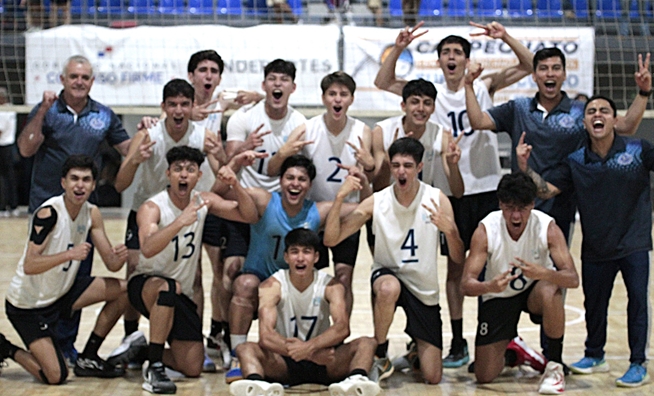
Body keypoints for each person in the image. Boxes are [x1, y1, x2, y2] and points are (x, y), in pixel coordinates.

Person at [374, 21, 534, 368]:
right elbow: (383, 82)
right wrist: (399, 46)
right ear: (439, 60)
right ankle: (459, 339)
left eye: (457, 52)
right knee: (455, 271)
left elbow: (529, 65)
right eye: (445, 52)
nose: (451, 57)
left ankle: (499, 336)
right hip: (454, 191)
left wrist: (504, 36)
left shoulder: (484, 84)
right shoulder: (428, 95)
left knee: (495, 266)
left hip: (489, 187)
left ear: (466, 59)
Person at [516, 95, 654, 388]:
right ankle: (595, 354)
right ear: (584, 122)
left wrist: (643, 94)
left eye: (604, 110)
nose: (597, 115)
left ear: (615, 120)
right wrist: (525, 167)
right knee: (595, 304)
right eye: (591, 111)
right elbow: (546, 191)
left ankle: (637, 362)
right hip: (595, 245)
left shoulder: (638, 149)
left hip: (634, 243)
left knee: (637, 303)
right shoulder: (576, 160)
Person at [465, 48, 651, 243]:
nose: (550, 73)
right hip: (520, 206)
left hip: (560, 205)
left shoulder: (581, 112)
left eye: (556, 68)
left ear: (564, 75)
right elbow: (478, 121)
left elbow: (627, 126)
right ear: (535, 76)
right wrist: (468, 85)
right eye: (543, 69)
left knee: (554, 269)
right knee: (516, 268)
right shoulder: (518, 108)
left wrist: (644, 92)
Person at [17, 54, 131, 366]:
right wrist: (41, 110)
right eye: (73, 77)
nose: (79, 82)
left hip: (82, 211)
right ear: (63, 80)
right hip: (47, 206)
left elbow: (129, 149)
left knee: (78, 276)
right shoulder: (48, 111)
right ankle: (44, 340)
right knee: (46, 271)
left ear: (91, 82)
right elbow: (26, 148)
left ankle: (67, 348)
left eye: (85, 77)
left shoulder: (104, 115)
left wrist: (151, 133)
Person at [324, 137, 465, 384]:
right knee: (389, 288)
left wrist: (451, 232)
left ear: (419, 168)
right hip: (388, 277)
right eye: (396, 165)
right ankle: (380, 353)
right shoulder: (377, 201)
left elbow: (457, 258)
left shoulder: (437, 199)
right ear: (390, 166)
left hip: (424, 289)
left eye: (408, 165)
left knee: (433, 377)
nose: (401, 171)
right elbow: (332, 239)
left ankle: (414, 353)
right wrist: (339, 199)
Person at [112, 78, 225, 371]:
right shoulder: (148, 135)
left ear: (192, 107)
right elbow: (120, 183)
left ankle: (191, 339)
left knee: (194, 275)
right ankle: (132, 336)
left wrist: (222, 155)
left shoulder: (205, 136)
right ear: (163, 107)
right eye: (172, 104)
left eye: (184, 104)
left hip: (186, 211)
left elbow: (223, 172)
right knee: (136, 271)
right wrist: (135, 159)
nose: (178, 109)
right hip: (148, 212)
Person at [224, 154, 367, 384]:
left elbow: (366, 208)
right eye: (290, 177)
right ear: (280, 181)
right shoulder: (263, 200)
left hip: (297, 279)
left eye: (302, 179)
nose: (295, 183)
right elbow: (220, 193)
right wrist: (233, 166)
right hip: (263, 276)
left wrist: (362, 182)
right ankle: (235, 356)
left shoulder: (318, 211)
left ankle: (336, 360)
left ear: (309, 186)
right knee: (244, 284)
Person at [129, 146, 258, 394]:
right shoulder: (152, 207)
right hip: (146, 285)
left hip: (180, 294)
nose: (184, 175)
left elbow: (248, 216)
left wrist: (236, 185)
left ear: (199, 176)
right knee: (167, 288)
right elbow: (147, 248)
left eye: (190, 170)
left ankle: (142, 350)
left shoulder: (203, 201)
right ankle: (154, 368)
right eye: (178, 169)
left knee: (192, 366)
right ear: (168, 174)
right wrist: (180, 221)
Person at [0, 155, 129, 384]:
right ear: (63, 183)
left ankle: (89, 356)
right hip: (28, 305)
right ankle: (7, 348)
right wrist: (69, 255)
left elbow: (111, 264)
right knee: (55, 376)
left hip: (61, 293)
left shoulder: (91, 213)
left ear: (92, 185)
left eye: (86, 180)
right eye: (74, 179)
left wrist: (119, 256)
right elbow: (30, 264)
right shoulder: (48, 213)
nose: (80, 185)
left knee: (125, 290)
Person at [222, 58, 306, 368]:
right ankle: (229, 343)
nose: (277, 84)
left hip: (280, 209)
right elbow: (229, 162)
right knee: (231, 274)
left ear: (293, 87)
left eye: (284, 79)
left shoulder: (300, 123)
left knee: (281, 279)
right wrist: (245, 146)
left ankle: (283, 345)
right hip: (246, 203)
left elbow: (297, 171)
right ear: (264, 85)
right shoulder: (244, 118)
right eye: (272, 78)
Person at [461, 172, 579, 395]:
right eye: (509, 208)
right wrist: (489, 286)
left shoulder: (547, 228)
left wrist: (542, 272)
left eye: (522, 208)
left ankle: (554, 365)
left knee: (550, 289)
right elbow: (465, 285)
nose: (516, 216)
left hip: (534, 293)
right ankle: (514, 352)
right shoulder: (486, 230)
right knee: (484, 376)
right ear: (500, 205)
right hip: (498, 295)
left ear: (533, 205)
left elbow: (572, 278)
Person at [266, 71, 373, 315]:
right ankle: (309, 331)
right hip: (312, 217)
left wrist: (369, 166)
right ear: (323, 98)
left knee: (344, 278)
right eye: (332, 94)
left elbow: (372, 185)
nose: (337, 99)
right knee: (307, 279)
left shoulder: (363, 131)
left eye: (343, 94)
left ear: (351, 99)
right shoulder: (307, 129)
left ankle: (340, 333)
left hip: (348, 216)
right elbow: (274, 171)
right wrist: (282, 153)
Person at [229, 228, 381, 396]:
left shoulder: (332, 285)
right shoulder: (271, 286)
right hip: (285, 360)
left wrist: (309, 348)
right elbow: (266, 336)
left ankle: (355, 382)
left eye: (306, 252)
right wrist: (309, 354)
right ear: (286, 257)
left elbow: (342, 328)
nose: (300, 258)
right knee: (244, 348)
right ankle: (257, 386)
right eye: (294, 252)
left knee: (368, 343)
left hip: (325, 360)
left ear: (316, 257)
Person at [185, 50, 263, 370]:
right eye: (202, 70)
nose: (208, 75)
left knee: (222, 272)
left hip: (214, 197)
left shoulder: (221, 103)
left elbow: (260, 97)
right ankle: (192, 338)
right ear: (191, 76)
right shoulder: (181, 106)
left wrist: (253, 94)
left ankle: (218, 332)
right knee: (194, 276)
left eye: (214, 71)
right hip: (185, 200)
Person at [371, 78, 463, 197]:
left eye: (427, 103)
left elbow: (458, 193)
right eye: (415, 102)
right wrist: (387, 161)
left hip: (423, 203)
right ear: (403, 106)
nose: (421, 108)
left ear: (434, 108)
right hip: (389, 201)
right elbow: (377, 188)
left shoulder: (441, 134)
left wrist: (453, 165)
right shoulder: (382, 131)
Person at [0, 87, 18, 217]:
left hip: (3, 147)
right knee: (10, 178)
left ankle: (3, 207)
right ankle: (13, 206)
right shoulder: (12, 109)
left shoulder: (3, 111)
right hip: (10, 146)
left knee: (4, 179)